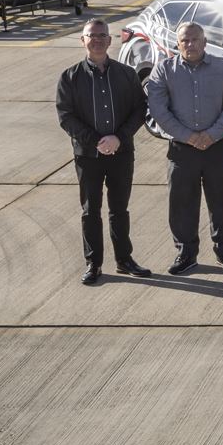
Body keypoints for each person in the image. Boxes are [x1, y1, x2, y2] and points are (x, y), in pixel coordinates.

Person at [146, 21, 223, 275]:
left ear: (205, 42)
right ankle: (186, 252)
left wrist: (211, 135)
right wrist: (188, 136)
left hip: (218, 147)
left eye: (194, 40)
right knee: (181, 203)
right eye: (184, 41)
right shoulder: (163, 70)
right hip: (182, 149)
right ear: (177, 44)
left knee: (222, 200)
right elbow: (158, 109)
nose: (189, 44)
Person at [56, 19, 150, 285]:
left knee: (119, 209)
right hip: (88, 156)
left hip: (121, 153)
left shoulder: (126, 74)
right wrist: (98, 140)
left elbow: (139, 109)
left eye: (102, 35)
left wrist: (118, 138)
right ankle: (94, 263)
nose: (97, 40)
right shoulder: (70, 77)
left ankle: (124, 260)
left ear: (110, 41)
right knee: (90, 210)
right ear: (82, 41)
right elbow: (66, 116)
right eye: (91, 36)